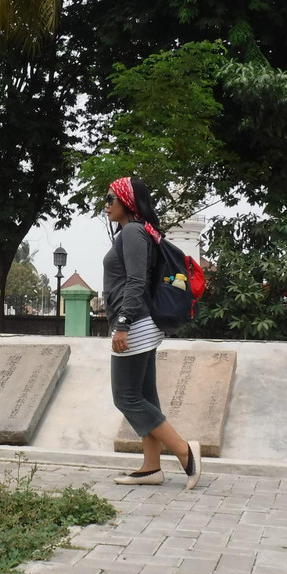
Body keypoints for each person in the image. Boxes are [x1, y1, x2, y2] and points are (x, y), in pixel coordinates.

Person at [104, 176, 201, 489]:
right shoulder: (135, 231)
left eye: (110, 199)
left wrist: (122, 324)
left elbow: (135, 282)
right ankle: (151, 467)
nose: (105, 205)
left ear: (127, 203)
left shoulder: (132, 232)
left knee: (126, 396)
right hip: (142, 324)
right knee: (145, 396)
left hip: (135, 325)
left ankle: (186, 452)